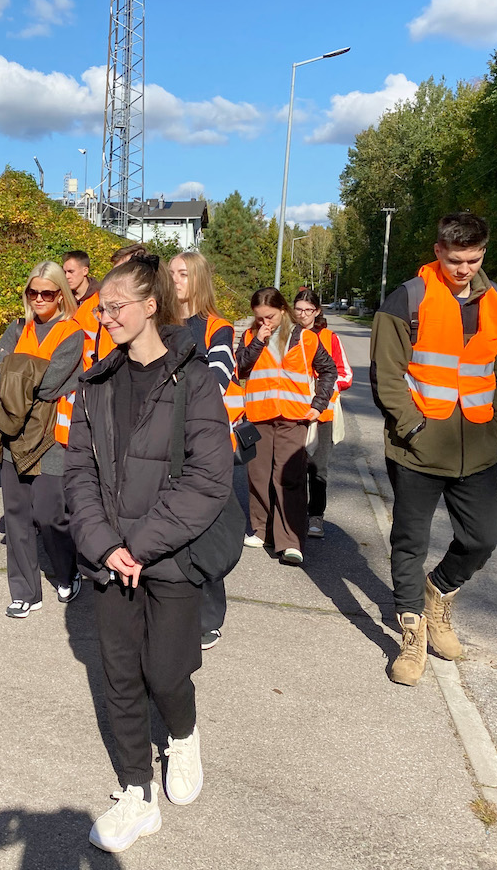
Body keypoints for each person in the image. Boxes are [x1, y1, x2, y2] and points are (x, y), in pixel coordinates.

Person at [64, 256, 232, 853]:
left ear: (150, 307)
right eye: (101, 308)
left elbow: (211, 481)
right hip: (111, 560)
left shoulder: (194, 378)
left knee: (166, 672)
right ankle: (137, 792)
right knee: (119, 676)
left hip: (172, 558)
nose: (106, 318)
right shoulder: (96, 382)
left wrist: (139, 543)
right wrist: (105, 545)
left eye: (116, 307)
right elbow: (77, 473)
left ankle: (182, 737)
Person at [371, 213, 497, 686]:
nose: (465, 269)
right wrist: (412, 427)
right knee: (409, 544)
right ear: (438, 251)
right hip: (415, 450)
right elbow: (386, 374)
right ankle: (411, 638)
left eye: (474, 260)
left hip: (477, 448)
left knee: (482, 538)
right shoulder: (406, 299)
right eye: (456, 260)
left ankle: (440, 592)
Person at [0, 260, 84, 618]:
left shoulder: (72, 333)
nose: (40, 298)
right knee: (16, 515)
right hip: (13, 432)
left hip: (50, 437)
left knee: (49, 514)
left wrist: (17, 370)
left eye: (48, 292)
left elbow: (51, 384)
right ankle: (25, 591)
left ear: (61, 295)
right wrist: (22, 373)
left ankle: (68, 570)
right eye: (33, 292)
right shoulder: (16, 329)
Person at [170, 251, 243, 650]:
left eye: (182, 273)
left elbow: (217, 381)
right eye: (171, 274)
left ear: (197, 279)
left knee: (207, 528)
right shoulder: (157, 323)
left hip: (205, 446)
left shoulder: (218, 328)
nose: (175, 280)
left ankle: (209, 615)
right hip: (161, 444)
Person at [235, 287, 337, 566]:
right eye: (258, 318)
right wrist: (257, 340)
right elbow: (240, 369)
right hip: (259, 415)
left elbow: (329, 370)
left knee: (288, 477)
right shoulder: (250, 335)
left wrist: (319, 404)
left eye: (268, 317)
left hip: (294, 417)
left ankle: (290, 541)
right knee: (258, 475)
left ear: (282, 310)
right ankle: (261, 529)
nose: (263, 323)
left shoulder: (306, 338)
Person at [292, 288, 353, 538]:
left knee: (318, 467)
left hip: (323, 411)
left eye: (309, 310)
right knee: (292, 466)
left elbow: (345, 374)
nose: (303, 315)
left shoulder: (329, 337)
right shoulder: (287, 336)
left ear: (317, 311)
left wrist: (323, 388)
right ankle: (291, 515)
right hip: (293, 410)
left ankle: (316, 516)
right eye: (299, 310)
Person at [63, 249, 102, 367]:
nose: (66, 276)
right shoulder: (61, 299)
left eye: (71, 272)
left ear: (85, 271)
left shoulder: (101, 299)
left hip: (95, 370)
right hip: (67, 371)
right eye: (64, 272)